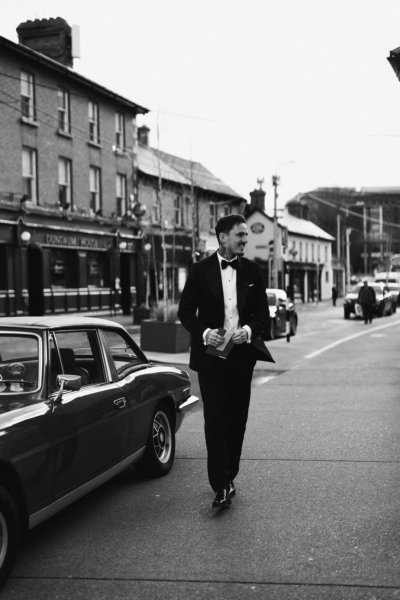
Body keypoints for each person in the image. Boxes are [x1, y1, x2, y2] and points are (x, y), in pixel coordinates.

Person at [178, 214, 274, 509]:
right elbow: (185, 313)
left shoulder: (253, 270)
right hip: (211, 358)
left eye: (247, 235)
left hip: (241, 357)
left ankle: (229, 474)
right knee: (215, 420)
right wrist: (206, 334)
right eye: (240, 235)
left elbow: (262, 315)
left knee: (237, 420)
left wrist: (246, 331)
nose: (246, 240)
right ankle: (220, 484)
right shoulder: (200, 270)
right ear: (222, 237)